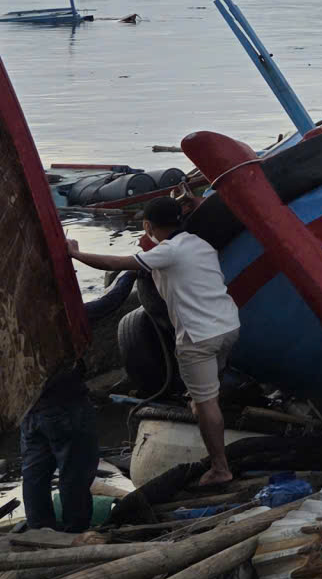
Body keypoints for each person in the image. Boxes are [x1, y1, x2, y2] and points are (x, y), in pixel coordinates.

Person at [71, 198, 241, 486]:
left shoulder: (168, 251)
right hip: (229, 326)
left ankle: (220, 468)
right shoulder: (200, 244)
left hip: (197, 337)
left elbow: (115, 262)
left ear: (148, 226)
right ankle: (203, 405)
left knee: (204, 404)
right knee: (208, 387)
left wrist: (74, 253)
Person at [18, 356, 98, 533]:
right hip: (63, 402)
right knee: (75, 469)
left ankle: (40, 531)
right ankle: (76, 529)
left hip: (29, 407)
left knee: (34, 472)